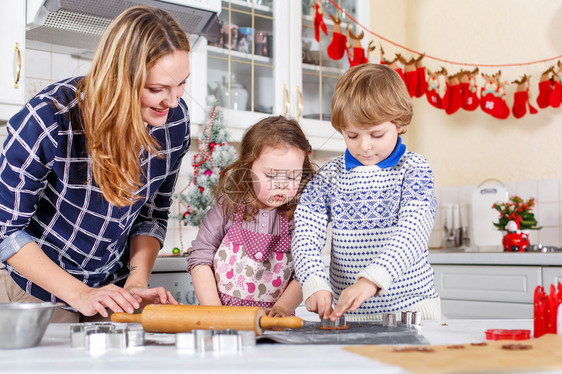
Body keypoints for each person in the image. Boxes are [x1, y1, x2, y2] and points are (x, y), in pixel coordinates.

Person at [0, 6, 191, 322]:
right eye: (157, 89)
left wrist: (136, 282)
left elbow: (152, 214)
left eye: (181, 84)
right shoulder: (49, 118)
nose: (172, 103)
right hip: (36, 289)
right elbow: (6, 230)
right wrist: (79, 294)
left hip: (109, 289)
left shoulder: (174, 123)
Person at [291, 63, 441, 322]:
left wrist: (370, 281)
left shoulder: (414, 169)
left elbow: (413, 233)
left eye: (377, 134)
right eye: (352, 135)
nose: (365, 146)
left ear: (400, 123)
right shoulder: (329, 176)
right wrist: (314, 281)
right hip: (349, 317)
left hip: (412, 313)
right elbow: (305, 232)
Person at [187, 116, 314, 316]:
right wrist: (214, 312)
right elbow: (200, 258)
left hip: (273, 324)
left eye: (292, 177)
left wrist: (282, 309)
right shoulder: (227, 207)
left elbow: (305, 270)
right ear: (248, 170)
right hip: (222, 322)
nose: (280, 184)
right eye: (271, 175)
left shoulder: (298, 218)